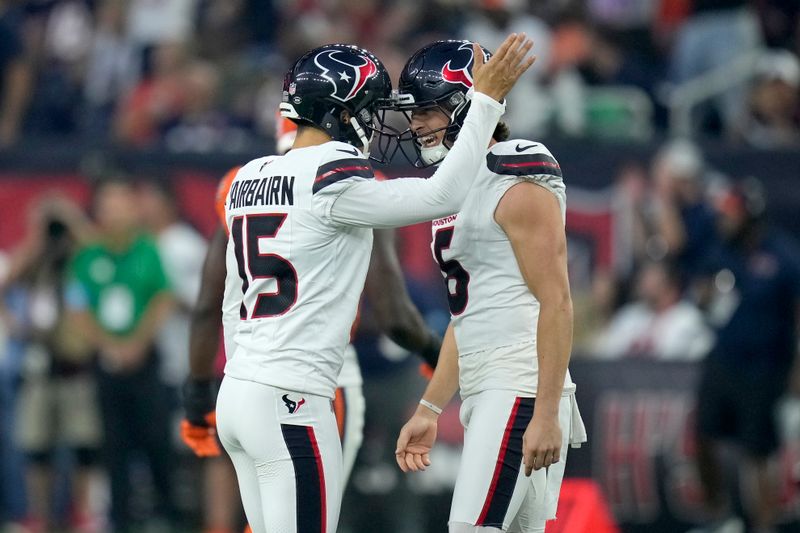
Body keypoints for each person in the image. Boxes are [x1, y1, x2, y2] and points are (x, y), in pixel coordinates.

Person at [188, 36, 533, 533]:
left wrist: (247, 368)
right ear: (340, 111)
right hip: (291, 399)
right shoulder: (333, 172)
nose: (376, 124)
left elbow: (227, 302)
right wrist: (484, 102)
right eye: (369, 110)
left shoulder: (247, 175)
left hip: (240, 393)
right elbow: (443, 193)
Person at [182, 157, 441, 533]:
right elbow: (393, 314)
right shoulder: (349, 179)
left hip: (240, 383)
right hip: (309, 382)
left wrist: (197, 393)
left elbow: (210, 303)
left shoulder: (241, 182)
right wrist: (437, 354)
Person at [392, 40, 586, 533]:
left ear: (463, 104)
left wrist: (544, 411)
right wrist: (431, 407)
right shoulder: (454, 183)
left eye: (426, 110)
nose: (415, 125)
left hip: (520, 378)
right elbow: (468, 314)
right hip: (488, 382)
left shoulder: (514, 169)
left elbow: (557, 300)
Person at [66, 177, 177, 532]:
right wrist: (106, 345)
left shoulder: (148, 249)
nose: (114, 210)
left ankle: (167, 513)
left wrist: (138, 342)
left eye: (121, 201)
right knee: (113, 444)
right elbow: (76, 306)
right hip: (105, 363)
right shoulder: (87, 256)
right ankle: (121, 519)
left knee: (156, 438)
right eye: (108, 203)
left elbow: (163, 297)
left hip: (145, 361)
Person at [691, 179, 800, 533]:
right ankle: (719, 515)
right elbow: (703, 293)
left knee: (758, 451)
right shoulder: (721, 251)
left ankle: (764, 525)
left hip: (765, 368)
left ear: (750, 216)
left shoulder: (783, 257)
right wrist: (704, 295)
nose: (724, 221)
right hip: (723, 360)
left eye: (731, 214)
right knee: (702, 435)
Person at [592, 260, 712, 360]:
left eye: (652, 277)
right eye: (645, 277)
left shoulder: (689, 318)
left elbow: (695, 362)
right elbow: (604, 355)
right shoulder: (629, 316)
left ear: (669, 284)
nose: (645, 282)